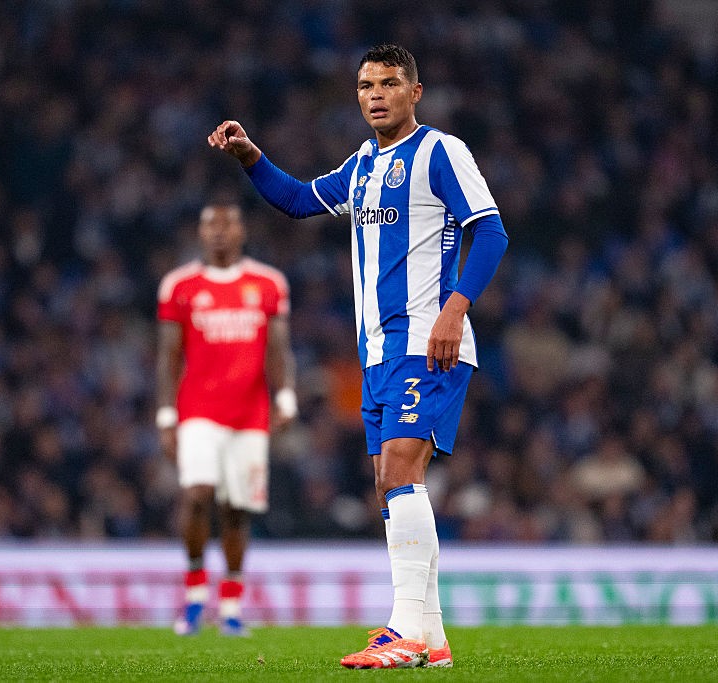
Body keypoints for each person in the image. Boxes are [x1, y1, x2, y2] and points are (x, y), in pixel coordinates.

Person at [208, 44, 508, 667]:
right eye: (366, 84)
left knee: (400, 471)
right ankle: (432, 636)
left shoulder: (439, 152)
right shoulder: (364, 165)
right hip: (377, 351)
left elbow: (490, 230)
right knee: (388, 483)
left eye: (390, 83)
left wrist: (455, 309)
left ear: (415, 92)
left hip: (430, 339)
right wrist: (249, 156)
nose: (375, 94)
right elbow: (296, 201)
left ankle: (402, 631)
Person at [156, 202, 297, 637]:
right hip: (197, 410)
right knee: (198, 495)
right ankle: (196, 594)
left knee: (237, 508)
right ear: (200, 233)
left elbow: (278, 347)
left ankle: (231, 604)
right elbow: (168, 355)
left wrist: (286, 395)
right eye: (210, 225)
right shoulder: (179, 285)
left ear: (242, 231)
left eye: (228, 224)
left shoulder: (268, 283)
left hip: (250, 413)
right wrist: (166, 414)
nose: (219, 232)